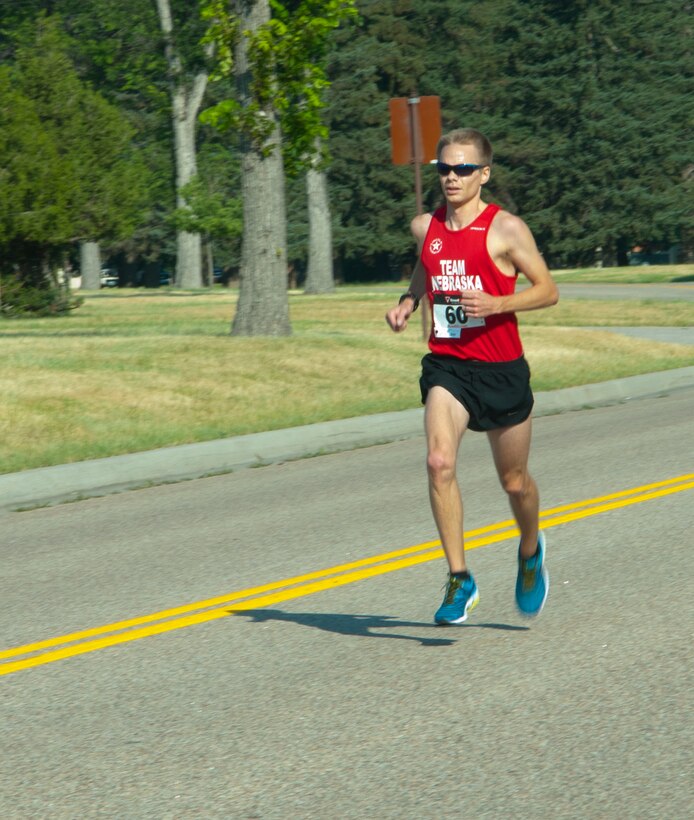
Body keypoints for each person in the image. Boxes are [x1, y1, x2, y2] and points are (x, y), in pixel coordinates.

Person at [385, 127, 559, 624]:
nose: (452, 177)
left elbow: (547, 290)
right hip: (449, 365)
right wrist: (408, 300)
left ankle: (530, 550)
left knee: (514, 482)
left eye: (463, 168)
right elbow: (428, 265)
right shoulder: (426, 226)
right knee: (439, 461)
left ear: (484, 173)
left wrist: (498, 302)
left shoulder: (506, 229)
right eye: (444, 168)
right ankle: (460, 579)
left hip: (501, 369)